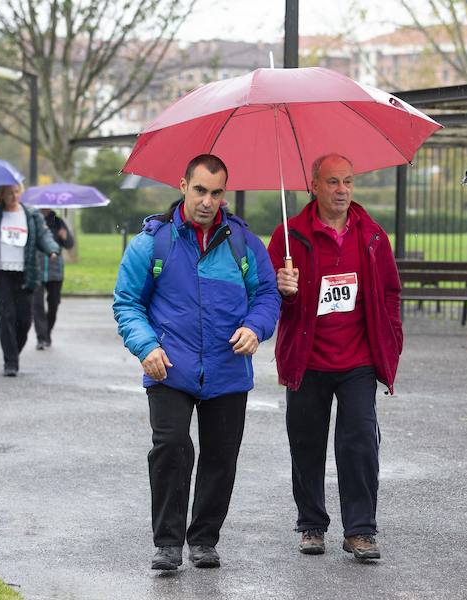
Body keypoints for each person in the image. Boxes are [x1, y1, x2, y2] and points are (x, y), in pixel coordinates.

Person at [113, 154, 280, 571]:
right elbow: (127, 303)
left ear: (225, 193)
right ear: (183, 185)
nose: (208, 201)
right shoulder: (153, 243)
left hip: (228, 368)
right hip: (168, 366)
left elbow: (267, 296)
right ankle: (167, 544)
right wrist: (146, 346)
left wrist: (255, 328)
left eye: (216, 192)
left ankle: (204, 539)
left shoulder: (244, 243)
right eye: (200, 190)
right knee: (170, 447)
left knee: (221, 457)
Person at [268, 153, 403, 561]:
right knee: (306, 443)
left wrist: (391, 340)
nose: (342, 190)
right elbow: (265, 300)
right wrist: (283, 288)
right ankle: (311, 525)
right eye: (332, 182)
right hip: (307, 358)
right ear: (314, 185)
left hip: (357, 360)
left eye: (348, 181)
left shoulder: (373, 236)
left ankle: (360, 530)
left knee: (360, 442)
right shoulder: (288, 237)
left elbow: (391, 293)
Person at [0, 184, 59, 376]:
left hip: (25, 273)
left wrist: (52, 249)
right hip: (0, 274)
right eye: (9, 193)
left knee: (24, 320)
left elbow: (43, 235)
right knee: (7, 317)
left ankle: (13, 352)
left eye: (16, 192)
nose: (14, 196)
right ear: (0, 195)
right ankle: (10, 362)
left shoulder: (31, 215)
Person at [33, 208, 74, 350]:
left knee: (54, 304)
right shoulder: (33, 220)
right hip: (36, 268)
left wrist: (65, 236)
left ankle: (47, 332)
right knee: (37, 304)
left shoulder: (58, 221)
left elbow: (69, 244)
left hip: (55, 270)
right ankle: (41, 338)